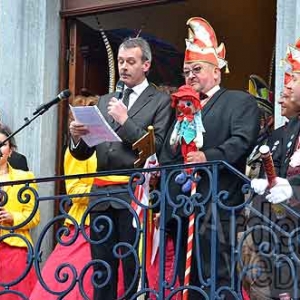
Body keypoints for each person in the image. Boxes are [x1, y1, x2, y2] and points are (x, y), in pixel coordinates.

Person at [159, 17, 260, 300]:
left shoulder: (238, 101)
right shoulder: (179, 106)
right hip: (180, 205)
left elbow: (241, 141)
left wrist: (207, 156)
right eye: (186, 71)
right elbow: (167, 152)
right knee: (184, 280)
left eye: (197, 69)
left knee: (217, 277)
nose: (190, 75)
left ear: (217, 72)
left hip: (217, 203)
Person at [69, 37, 173, 300]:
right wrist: (77, 137)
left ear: (146, 65)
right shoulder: (105, 100)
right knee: (101, 269)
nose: (124, 67)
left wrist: (125, 121)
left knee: (131, 267)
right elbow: (84, 154)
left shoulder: (160, 101)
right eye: (121, 61)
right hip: (101, 195)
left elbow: (156, 148)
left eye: (131, 62)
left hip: (133, 194)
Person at [251, 38, 300, 299]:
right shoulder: (290, 130)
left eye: (294, 78)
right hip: (282, 234)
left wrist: (291, 189)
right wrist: (269, 184)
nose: (287, 86)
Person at [0, 123, 40, 299]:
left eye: (2, 144)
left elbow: (35, 217)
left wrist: (13, 217)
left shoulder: (25, 178)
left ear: (11, 150)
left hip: (15, 247)